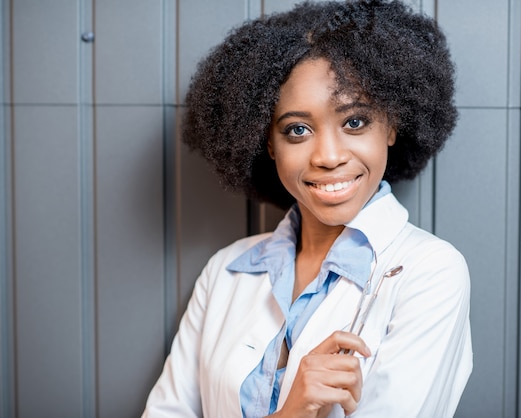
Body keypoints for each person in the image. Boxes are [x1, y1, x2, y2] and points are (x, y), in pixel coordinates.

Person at [143, 0, 472, 417]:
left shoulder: (431, 274)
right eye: (297, 130)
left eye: (354, 122)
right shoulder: (226, 270)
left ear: (391, 125)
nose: (328, 156)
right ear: (267, 143)